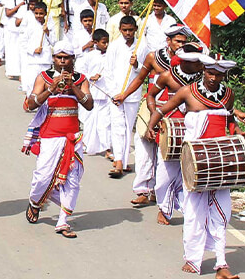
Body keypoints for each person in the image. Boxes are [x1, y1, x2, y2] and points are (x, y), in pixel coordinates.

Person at [145, 55, 245, 279]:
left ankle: (222, 263)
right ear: (203, 71)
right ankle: (193, 259)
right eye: (210, 73)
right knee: (194, 211)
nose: (213, 78)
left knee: (221, 211)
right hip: (194, 161)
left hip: (220, 162)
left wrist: (240, 134)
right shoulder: (188, 92)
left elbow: (228, 120)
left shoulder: (228, 95)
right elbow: (163, 110)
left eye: (219, 74)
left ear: (224, 76)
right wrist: (151, 127)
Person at [23, 41, 93, 238]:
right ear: (53, 59)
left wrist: (73, 87)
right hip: (50, 135)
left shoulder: (81, 79)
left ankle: (62, 221)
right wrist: (52, 88)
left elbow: (89, 105)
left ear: (73, 59)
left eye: (66, 58)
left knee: (72, 181)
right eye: (59, 58)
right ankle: (35, 201)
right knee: (43, 177)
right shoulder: (44, 78)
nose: (62, 61)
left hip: (72, 137)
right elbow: (30, 104)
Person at [116, 23, 188, 203]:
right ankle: (143, 190)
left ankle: (163, 191)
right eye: (177, 41)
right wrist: (124, 95)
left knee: (168, 153)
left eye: (183, 42)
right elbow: (140, 78)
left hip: (177, 112)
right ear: (168, 41)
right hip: (152, 106)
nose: (180, 45)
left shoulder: (190, 61)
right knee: (144, 149)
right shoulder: (153, 57)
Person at [148, 44, 205, 225]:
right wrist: (153, 116)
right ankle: (164, 208)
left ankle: (191, 210)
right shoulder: (168, 76)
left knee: (191, 172)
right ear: (185, 61)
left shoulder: (204, 79)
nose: (200, 65)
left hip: (195, 130)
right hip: (170, 130)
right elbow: (151, 95)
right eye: (196, 62)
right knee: (164, 176)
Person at [104, 16, 149, 179]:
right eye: (125, 30)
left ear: (136, 29)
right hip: (116, 93)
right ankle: (119, 161)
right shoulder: (115, 46)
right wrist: (113, 93)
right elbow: (107, 71)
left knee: (128, 127)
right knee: (117, 127)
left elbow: (143, 72)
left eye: (131, 30)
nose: (128, 33)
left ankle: (122, 159)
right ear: (120, 30)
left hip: (132, 94)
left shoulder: (142, 46)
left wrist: (136, 64)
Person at [76, 29, 111, 157]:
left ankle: (106, 147)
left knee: (105, 122)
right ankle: (87, 144)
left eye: (107, 42)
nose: (106, 45)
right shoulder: (89, 56)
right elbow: (80, 71)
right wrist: (91, 76)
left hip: (106, 93)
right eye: (103, 42)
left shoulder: (111, 56)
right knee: (89, 121)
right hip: (92, 92)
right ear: (95, 42)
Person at [18, 1, 54, 95]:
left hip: (45, 60)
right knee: (32, 82)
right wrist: (33, 50)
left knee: (45, 83)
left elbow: (54, 42)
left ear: (46, 13)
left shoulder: (49, 26)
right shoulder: (30, 27)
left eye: (41, 13)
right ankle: (31, 101)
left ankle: (43, 104)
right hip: (33, 60)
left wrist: (47, 32)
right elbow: (23, 42)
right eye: (36, 13)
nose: (39, 16)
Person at [2, 0, 28, 81]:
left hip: (23, 27)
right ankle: (11, 71)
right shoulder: (10, 0)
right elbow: (8, 13)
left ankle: (22, 73)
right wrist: (19, 5)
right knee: (11, 50)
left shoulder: (27, 0)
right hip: (11, 27)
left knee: (21, 50)